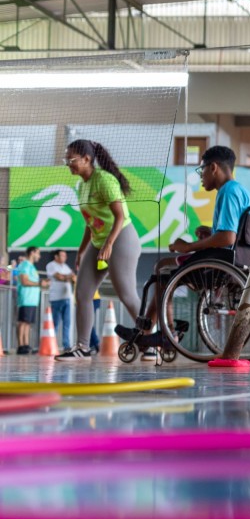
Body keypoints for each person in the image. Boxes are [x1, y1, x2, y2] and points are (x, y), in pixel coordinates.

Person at [116, 146, 250, 355]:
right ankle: (148, 332)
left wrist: (188, 247)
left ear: (213, 168)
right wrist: (210, 232)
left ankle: (166, 334)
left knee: (162, 267)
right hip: (239, 260)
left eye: (202, 169)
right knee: (163, 271)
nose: (201, 176)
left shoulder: (227, 192)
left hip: (222, 262)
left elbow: (228, 238)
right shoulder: (243, 192)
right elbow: (233, 235)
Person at [61, 139, 141, 361]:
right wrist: (81, 251)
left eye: (71, 159)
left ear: (87, 159)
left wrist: (109, 244)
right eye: (66, 160)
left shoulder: (104, 180)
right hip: (98, 242)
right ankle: (83, 347)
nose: (68, 164)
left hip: (121, 238)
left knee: (126, 294)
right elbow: (90, 222)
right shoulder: (81, 185)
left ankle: (152, 340)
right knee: (82, 293)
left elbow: (120, 216)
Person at [13, 247, 48, 355]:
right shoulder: (25, 265)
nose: (39, 256)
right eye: (38, 253)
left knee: (27, 323)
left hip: (32, 299)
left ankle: (26, 344)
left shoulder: (31, 266)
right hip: (26, 298)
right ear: (32, 253)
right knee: (23, 322)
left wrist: (43, 283)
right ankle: (21, 346)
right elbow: (24, 281)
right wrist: (39, 284)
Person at [45, 250, 75, 352]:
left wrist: (67, 277)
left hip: (67, 297)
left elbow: (72, 277)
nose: (65, 257)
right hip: (56, 298)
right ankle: (51, 345)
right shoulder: (51, 265)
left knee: (67, 323)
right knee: (55, 323)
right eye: (62, 255)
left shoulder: (66, 267)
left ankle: (66, 345)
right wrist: (68, 277)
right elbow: (59, 277)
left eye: (65, 256)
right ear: (56, 256)